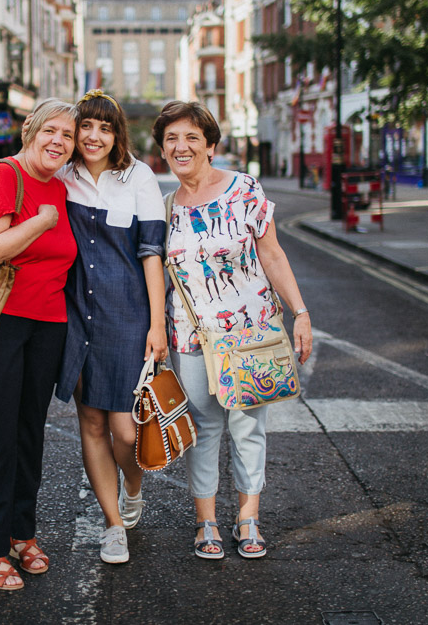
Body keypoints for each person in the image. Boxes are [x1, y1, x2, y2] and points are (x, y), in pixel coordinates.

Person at [153, 100, 313, 561]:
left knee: (248, 428)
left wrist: (299, 311)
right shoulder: (166, 208)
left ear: (210, 145)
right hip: (191, 337)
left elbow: (272, 254)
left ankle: (248, 518)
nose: (181, 147)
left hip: (252, 333)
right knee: (202, 430)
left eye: (191, 138)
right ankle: (206, 522)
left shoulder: (244, 189)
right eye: (171, 140)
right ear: (163, 149)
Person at [0, 98, 78, 591]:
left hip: (47, 325)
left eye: (67, 136)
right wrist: (40, 222)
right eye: (51, 130)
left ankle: (22, 534)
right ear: (29, 130)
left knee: (29, 433)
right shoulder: (6, 175)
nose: (58, 142)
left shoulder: (60, 187)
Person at [55, 89, 167, 565]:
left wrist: (157, 324)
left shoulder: (138, 176)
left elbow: (151, 254)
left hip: (128, 317)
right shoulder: (62, 177)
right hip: (77, 315)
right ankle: (113, 525)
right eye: (86, 126)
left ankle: (133, 490)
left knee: (127, 430)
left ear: (117, 133)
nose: (94, 135)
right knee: (92, 423)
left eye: (104, 127)